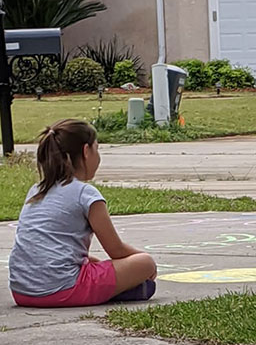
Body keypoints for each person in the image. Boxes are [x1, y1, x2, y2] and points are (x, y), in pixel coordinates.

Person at [9, 119, 157, 307]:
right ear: (86, 151)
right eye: (97, 148)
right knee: (144, 262)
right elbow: (116, 250)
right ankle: (123, 289)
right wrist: (146, 264)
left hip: (22, 292)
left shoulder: (36, 191)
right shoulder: (85, 194)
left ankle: (120, 289)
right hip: (63, 289)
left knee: (91, 262)